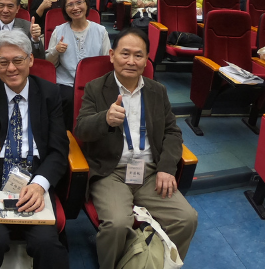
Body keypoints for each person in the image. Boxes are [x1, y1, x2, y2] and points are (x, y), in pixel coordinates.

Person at [75, 28, 198, 269]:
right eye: (125, 54)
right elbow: (81, 130)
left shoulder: (157, 91)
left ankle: (153, 263)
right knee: (117, 224)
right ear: (112, 55)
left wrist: (166, 168)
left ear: (146, 60)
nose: (131, 61)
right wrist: (105, 119)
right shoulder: (95, 88)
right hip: (111, 172)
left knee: (186, 219)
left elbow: (172, 132)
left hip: (150, 172)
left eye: (138, 55)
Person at [0, 29, 70, 269]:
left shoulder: (50, 93)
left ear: (30, 60)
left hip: (35, 176)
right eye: (3, 62)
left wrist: (40, 184)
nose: (11, 68)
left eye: (18, 60)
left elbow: (58, 149)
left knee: (46, 242)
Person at [46, 0, 111, 130]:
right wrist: (56, 51)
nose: (75, 8)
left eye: (79, 3)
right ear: (65, 9)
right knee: (67, 98)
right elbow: (49, 65)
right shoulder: (59, 30)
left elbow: (107, 61)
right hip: (66, 82)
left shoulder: (100, 31)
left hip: (94, 82)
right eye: (70, 5)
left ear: (86, 4)